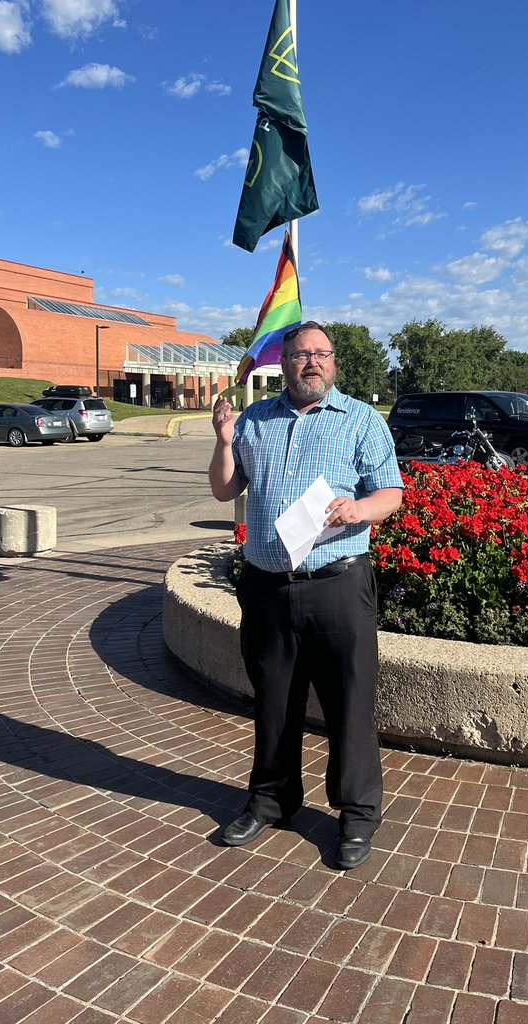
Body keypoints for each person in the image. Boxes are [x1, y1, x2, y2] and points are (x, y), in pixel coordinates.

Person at [209, 322, 403, 869]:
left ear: (333, 362)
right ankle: (272, 800)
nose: (311, 362)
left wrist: (360, 509)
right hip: (267, 588)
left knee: (349, 702)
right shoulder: (254, 420)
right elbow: (226, 488)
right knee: (273, 701)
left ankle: (357, 814)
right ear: (284, 363)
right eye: (300, 355)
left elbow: (390, 490)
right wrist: (224, 443)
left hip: (337, 585)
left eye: (321, 354)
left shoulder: (362, 420)